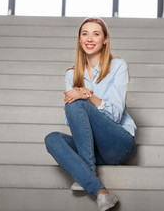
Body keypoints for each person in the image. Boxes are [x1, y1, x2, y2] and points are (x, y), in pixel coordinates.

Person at [44, 17, 136, 211]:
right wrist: (81, 100)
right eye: (85, 34)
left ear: (105, 40)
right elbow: (73, 119)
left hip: (118, 143)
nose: (90, 38)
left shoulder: (118, 66)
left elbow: (117, 114)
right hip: (92, 149)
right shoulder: (72, 74)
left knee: (77, 101)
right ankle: (100, 192)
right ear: (79, 40)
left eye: (96, 33)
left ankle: (86, 174)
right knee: (52, 138)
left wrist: (89, 98)